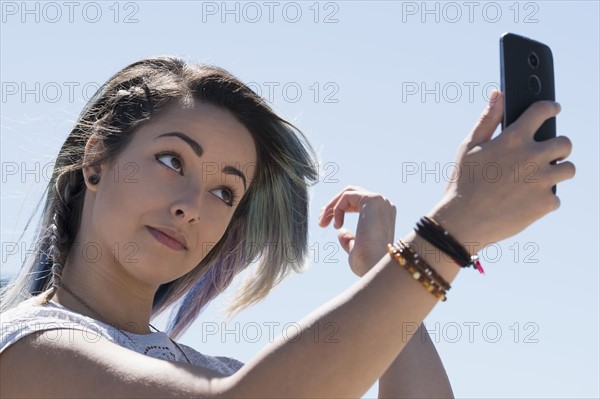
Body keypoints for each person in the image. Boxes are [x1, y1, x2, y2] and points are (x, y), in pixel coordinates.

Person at [0, 56, 575, 398]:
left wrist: (386, 267)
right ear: (96, 161)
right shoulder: (26, 350)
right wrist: (451, 233)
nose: (193, 206)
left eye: (225, 191)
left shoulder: (214, 372)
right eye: (173, 160)